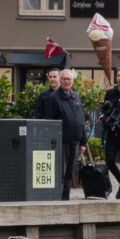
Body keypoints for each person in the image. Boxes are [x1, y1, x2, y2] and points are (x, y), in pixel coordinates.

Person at [36, 68, 89, 199]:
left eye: (69, 79)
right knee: (59, 172)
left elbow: (81, 120)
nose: (67, 81)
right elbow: (49, 123)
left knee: (69, 173)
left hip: (75, 142)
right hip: (61, 143)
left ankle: (65, 198)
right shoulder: (53, 98)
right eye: (64, 79)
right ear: (60, 80)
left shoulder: (76, 97)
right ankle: (56, 198)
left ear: (73, 81)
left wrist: (83, 142)